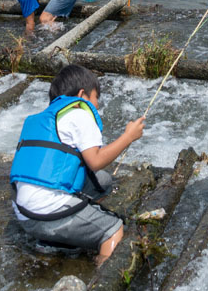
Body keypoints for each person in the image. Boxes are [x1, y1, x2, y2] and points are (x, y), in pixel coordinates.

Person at [9, 64, 145, 264]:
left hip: (24, 214)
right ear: (82, 95)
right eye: (96, 97)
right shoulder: (79, 112)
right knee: (113, 229)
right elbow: (96, 161)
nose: (97, 105)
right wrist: (128, 137)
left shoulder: (43, 118)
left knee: (102, 181)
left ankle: (56, 241)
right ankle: (101, 283)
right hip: (46, 212)